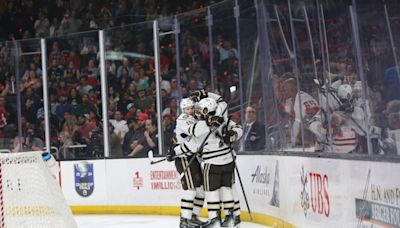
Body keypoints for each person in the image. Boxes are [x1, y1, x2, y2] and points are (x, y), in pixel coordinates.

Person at [187, 97, 242, 227]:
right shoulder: (224, 119)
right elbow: (238, 128)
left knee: (211, 192)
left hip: (212, 163)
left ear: (206, 110)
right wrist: (233, 134)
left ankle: (215, 219)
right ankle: (230, 218)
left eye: (201, 110)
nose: (198, 112)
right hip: (228, 161)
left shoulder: (200, 125)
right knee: (226, 189)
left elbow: (192, 136)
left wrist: (175, 151)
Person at [166, 98, 205, 228]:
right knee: (191, 191)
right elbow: (196, 133)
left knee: (200, 191)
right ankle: (184, 220)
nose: (191, 110)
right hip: (184, 158)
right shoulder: (183, 119)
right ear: (183, 110)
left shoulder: (195, 119)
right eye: (188, 109)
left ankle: (193, 217)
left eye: (192, 108)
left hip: (192, 157)